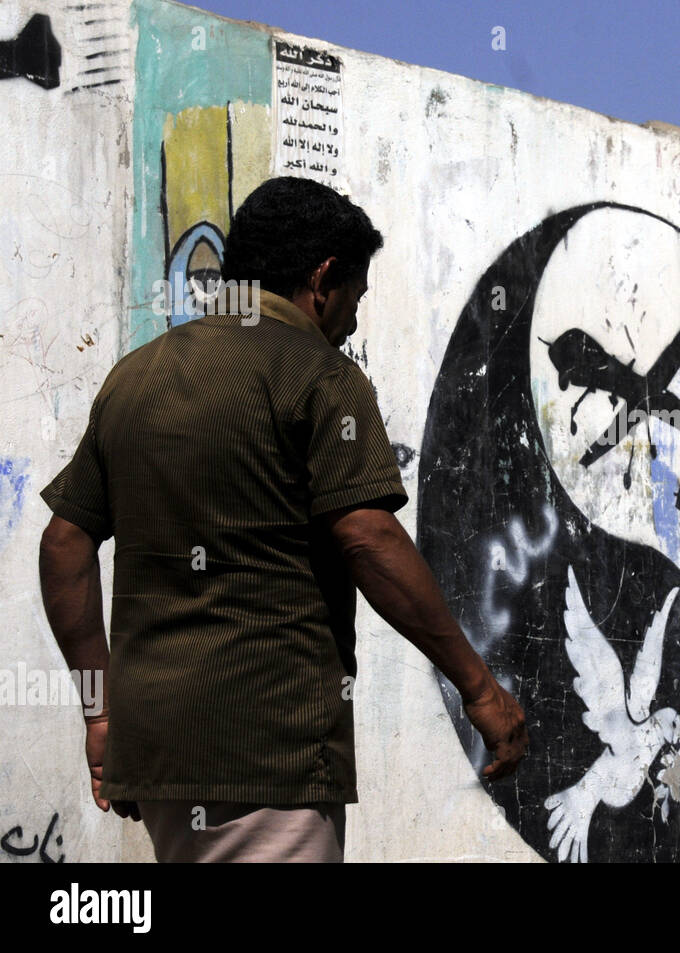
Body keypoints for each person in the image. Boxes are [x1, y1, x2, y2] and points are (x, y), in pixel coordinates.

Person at [37, 176, 526, 862]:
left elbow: (64, 541)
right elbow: (366, 535)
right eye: (355, 297)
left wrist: (102, 712)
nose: (353, 321)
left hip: (156, 755)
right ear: (322, 279)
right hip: (269, 750)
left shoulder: (135, 377)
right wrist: (478, 686)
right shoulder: (322, 376)